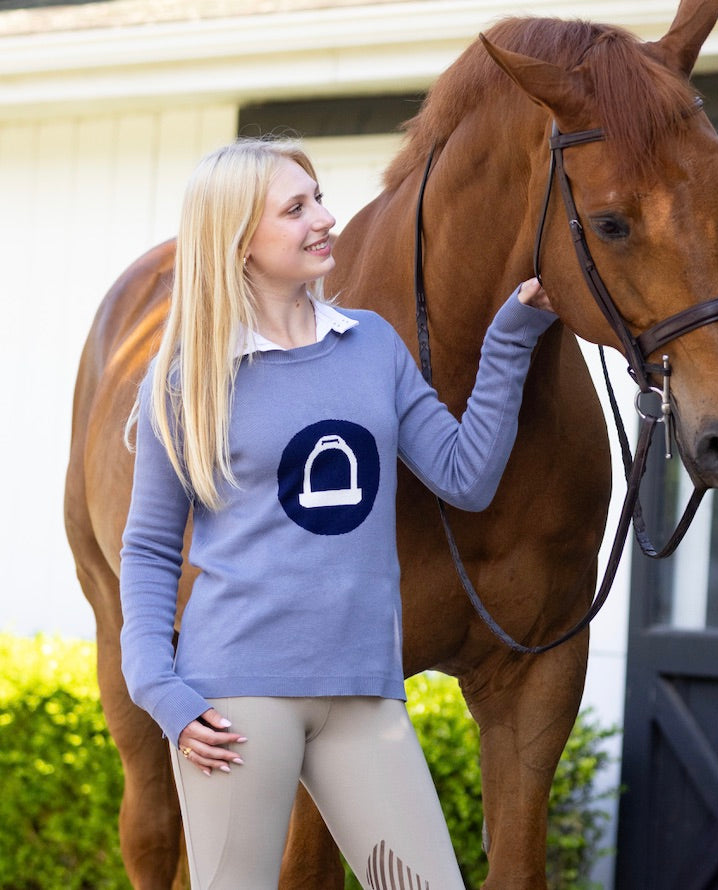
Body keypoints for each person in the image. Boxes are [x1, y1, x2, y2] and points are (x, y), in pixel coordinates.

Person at [119, 136, 555, 890]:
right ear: (239, 242)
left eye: (318, 196)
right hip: (235, 703)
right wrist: (160, 690)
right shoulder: (188, 380)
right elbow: (151, 548)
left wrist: (511, 336)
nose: (326, 218)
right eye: (296, 208)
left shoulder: (370, 347)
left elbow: (466, 477)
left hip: (364, 694)